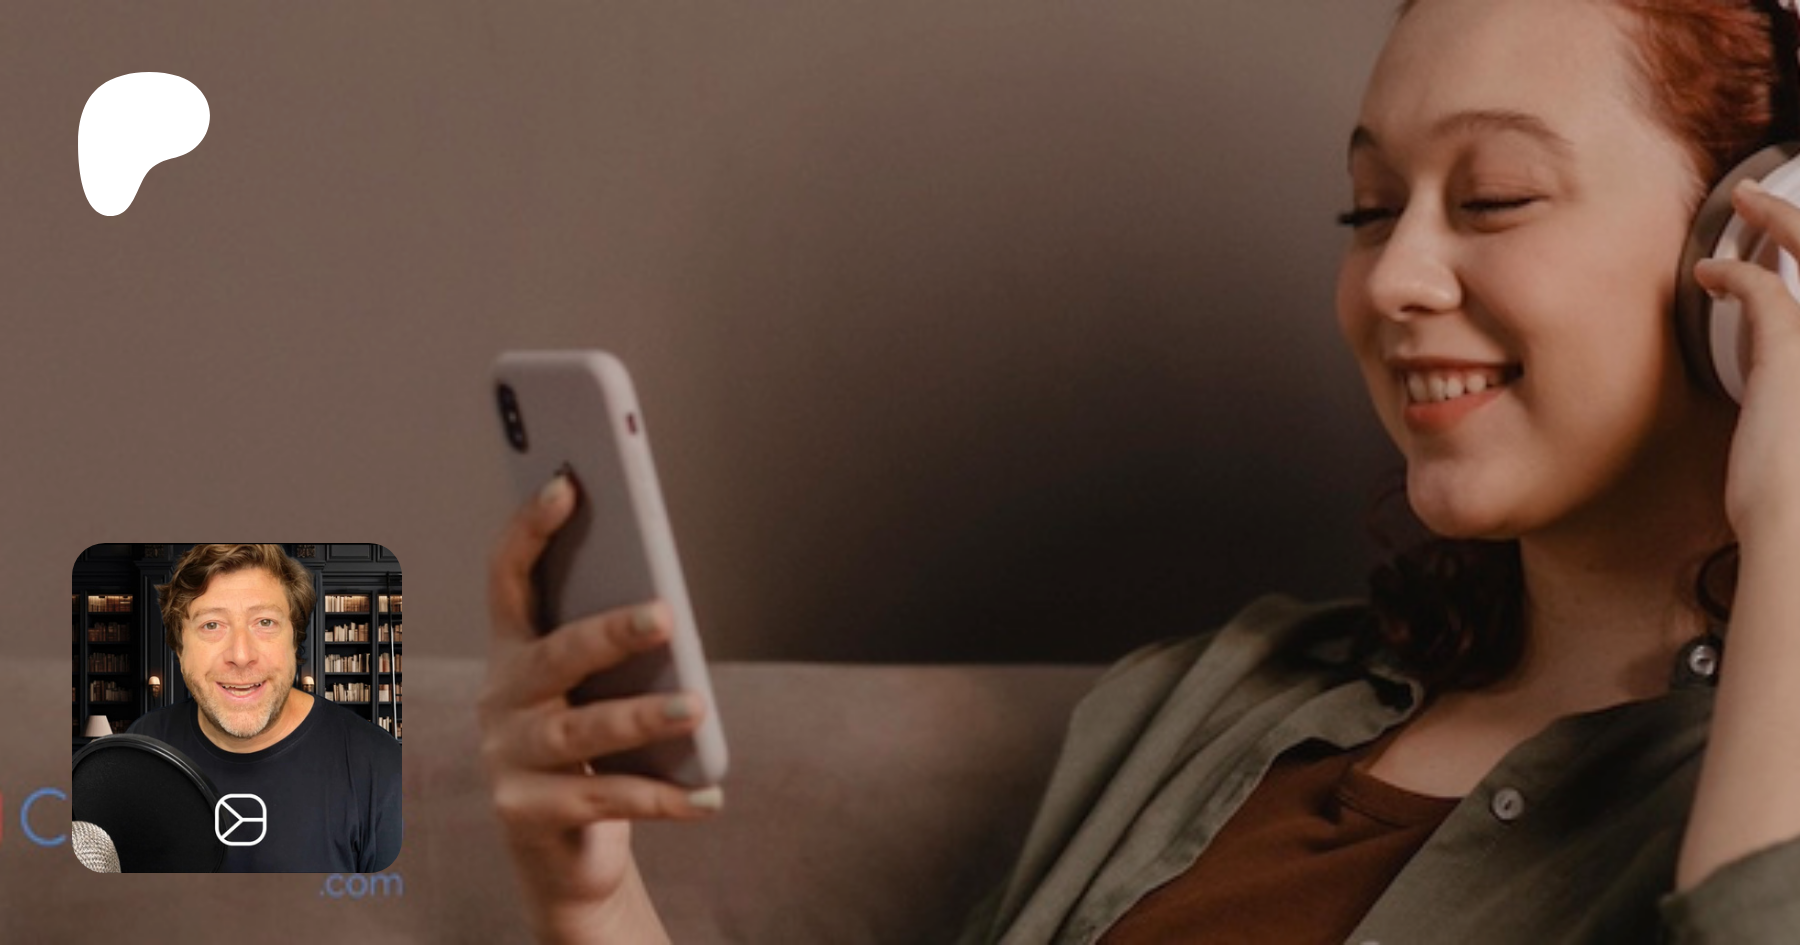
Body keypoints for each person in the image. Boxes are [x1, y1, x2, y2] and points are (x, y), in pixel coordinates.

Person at [478, 0, 1800, 940]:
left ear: (1764, 246)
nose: (1393, 276)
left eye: (1496, 196)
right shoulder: (1216, 699)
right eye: (1368, 208)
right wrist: (591, 897)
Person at [128, 543, 403, 873]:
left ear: (294, 640)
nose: (241, 655)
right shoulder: (144, 745)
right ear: (179, 648)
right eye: (212, 625)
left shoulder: (382, 768)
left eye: (265, 622)